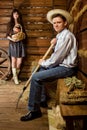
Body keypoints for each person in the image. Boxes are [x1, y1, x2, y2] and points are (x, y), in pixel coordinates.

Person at [20, 9, 78, 121]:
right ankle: (41, 100)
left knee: (36, 77)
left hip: (67, 68)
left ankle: (34, 111)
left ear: (65, 23)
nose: (56, 24)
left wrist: (44, 62)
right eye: (54, 23)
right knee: (36, 71)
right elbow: (57, 55)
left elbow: (57, 58)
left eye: (59, 22)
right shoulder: (61, 35)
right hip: (60, 64)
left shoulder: (67, 36)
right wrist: (55, 41)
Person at [6, 9, 26, 85]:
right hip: (13, 44)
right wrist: (12, 39)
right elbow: (7, 35)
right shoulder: (10, 24)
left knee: (19, 62)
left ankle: (15, 76)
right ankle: (15, 78)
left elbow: (24, 34)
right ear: (12, 15)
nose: (16, 16)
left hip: (20, 44)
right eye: (14, 14)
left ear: (18, 15)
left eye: (17, 14)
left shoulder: (21, 24)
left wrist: (22, 36)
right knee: (13, 61)